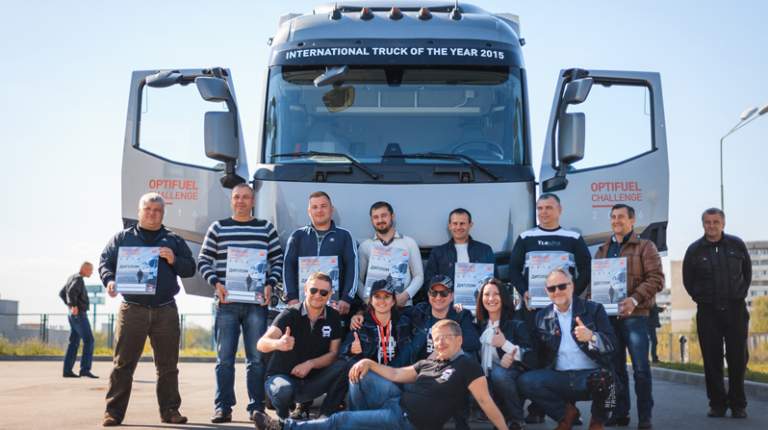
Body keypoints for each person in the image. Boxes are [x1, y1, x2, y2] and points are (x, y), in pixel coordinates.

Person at [252, 319, 510, 430]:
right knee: (360, 372)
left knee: (342, 419)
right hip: (396, 402)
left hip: (406, 421)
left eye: (446, 338)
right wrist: (367, 362)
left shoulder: (467, 366)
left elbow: (485, 402)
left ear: (459, 339)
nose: (440, 343)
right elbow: (396, 374)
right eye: (436, 339)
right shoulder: (429, 363)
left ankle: (284, 427)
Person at [99, 192, 196, 426]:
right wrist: (110, 281)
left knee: (168, 367)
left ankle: (170, 411)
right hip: (132, 310)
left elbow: (190, 268)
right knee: (123, 365)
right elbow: (105, 263)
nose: (152, 213)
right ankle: (113, 413)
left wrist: (174, 260)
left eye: (157, 210)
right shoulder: (122, 238)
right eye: (147, 209)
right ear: (139, 211)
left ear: (163, 214)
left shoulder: (174, 240)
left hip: (165, 310)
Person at [198, 183, 284, 423]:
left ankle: (257, 408)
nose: (241, 201)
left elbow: (278, 259)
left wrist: (270, 283)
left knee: (256, 359)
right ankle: (223, 407)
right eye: (237, 197)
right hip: (226, 302)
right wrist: (216, 283)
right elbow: (203, 260)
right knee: (224, 359)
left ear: (253, 202)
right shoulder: (218, 228)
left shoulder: (266, 228)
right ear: (231, 201)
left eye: (246, 197)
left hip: (256, 304)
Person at [508, 193, 591, 424]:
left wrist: (570, 294)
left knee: (563, 358)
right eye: (540, 208)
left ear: (559, 210)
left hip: (564, 310)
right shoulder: (526, 237)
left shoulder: (573, 238)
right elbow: (514, 269)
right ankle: (537, 409)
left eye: (549, 207)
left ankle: (568, 411)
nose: (543, 212)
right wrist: (524, 290)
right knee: (534, 357)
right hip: (533, 310)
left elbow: (586, 269)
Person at [282, 191, 358, 419]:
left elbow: (352, 267)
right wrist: (292, 298)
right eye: (314, 207)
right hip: (304, 309)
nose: (319, 210)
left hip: (335, 309)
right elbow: (288, 267)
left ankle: (332, 406)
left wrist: (346, 298)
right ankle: (302, 404)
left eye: (323, 206)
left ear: (331, 209)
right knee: (303, 352)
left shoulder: (344, 236)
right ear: (309, 211)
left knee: (335, 354)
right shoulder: (298, 236)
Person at [518, 267, 619, 430]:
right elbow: (535, 352)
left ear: (571, 286)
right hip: (560, 378)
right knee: (526, 381)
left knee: (606, 380)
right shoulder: (541, 316)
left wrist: (592, 337)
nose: (557, 291)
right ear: (547, 291)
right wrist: (515, 352)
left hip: (590, 376)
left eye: (562, 286)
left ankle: (598, 422)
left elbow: (613, 345)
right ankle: (565, 415)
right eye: (552, 288)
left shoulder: (594, 309)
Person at [592, 204, 663, 429]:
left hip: (636, 316)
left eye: (621, 217)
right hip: (608, 320)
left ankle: (645, 415)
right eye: (613, 217)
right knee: (615, 369)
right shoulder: (602, 250)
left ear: (632, 221)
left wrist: (634, 299)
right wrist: (593, 308)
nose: (616, 220)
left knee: (640, 368)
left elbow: (656, 279)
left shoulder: (645, 246)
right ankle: (620, 413)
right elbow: (594, 285)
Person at [683, 208, 751, 419]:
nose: (711, 225)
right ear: (703, 224)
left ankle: (738, 405)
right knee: (712, 361)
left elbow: (746, 273)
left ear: (723, 224)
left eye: (715, 221)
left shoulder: (737, 245)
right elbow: (688, 280)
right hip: (708, 312)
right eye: (707, 222)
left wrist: (738, 294)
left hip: (735, 310)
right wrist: (701, 298)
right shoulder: (694, 250)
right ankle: (717, 405)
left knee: (738, 360)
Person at [257, 272, 349, 421]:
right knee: (283, 390)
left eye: (323, 292)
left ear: (330, 294)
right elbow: (261, 343)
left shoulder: (333, 316)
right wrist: (278, 343)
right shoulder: (290, 313)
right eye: (313, 290)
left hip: (312, 383)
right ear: (306, 290)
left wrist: (310, 364)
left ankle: (324, 417)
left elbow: (334, 354)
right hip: (284, 379)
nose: (317, 295)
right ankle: (283, 420)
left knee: (344, 366)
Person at [475, 278, 537, 430]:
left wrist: (506, 346)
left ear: (503, 297)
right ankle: (501, 416)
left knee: (499, 374)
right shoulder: (479, 324)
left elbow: (532, 358)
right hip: (488, 378)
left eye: (496, 294)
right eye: (486, 294)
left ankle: (517, 419)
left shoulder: (516, 323)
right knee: (473, 394)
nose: (491, 298)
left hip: (511, 377)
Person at [357, 201, 423, 308]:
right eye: (376, 217)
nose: (380, 220)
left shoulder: (409, 243)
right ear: (371, 220)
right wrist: (370, 302)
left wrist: (405, 295)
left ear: (392, 216)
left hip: (403, 307)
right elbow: (358, 281)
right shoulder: (365, 246)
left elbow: (418, 275)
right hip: (375, 309)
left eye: (384, 215)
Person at [423, 208, 497, 296]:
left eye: (462, 223)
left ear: (470, 225)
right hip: (448, 303)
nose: (458, 227)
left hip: (478, 302)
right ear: (449, 225)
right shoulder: (438, 253)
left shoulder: (485, 250)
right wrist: (443, 297)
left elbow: (495, 282)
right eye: (455, 223)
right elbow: (429, 283)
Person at [62, 262, 98, 379]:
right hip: (79, 315)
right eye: (90, 270)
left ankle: (67, 371)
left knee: (73, 342)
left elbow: (62, 293)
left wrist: (70, 306)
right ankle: (85, 370)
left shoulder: (72, 277)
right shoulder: (78, 279)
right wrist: (74, 306)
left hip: (73, 315)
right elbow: (71, 291)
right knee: (89, 340)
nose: (91, 272)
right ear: (83, 269)